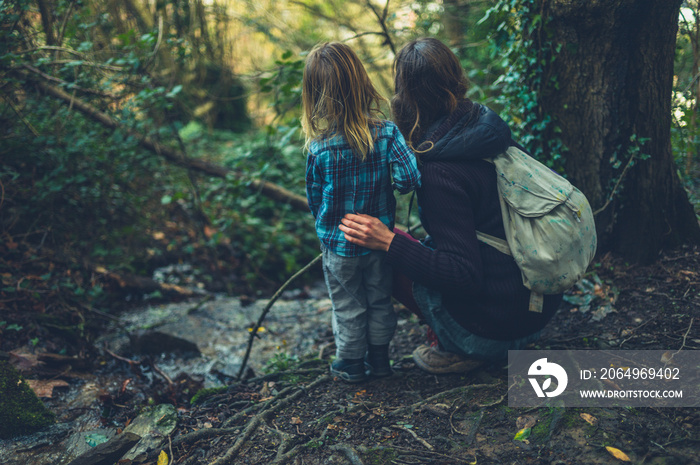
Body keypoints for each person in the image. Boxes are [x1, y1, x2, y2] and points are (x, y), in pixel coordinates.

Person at [338, 37, 562, 374]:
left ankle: (459, 347)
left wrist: (388, 241)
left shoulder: (440, 170)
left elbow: (463, 275)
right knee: (399, 238)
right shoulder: (484, 128)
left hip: (496, 332)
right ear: (455, 78)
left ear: (406, 97)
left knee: (380, 243)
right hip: (533, 312)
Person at [302, 42, 422, 383]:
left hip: (339, 246)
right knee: (380, 300)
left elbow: (314, 199)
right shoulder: (386, 133)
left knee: (348, 305)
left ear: (315, 95)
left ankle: (351, 363)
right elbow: (410, 178)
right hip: (379, 243)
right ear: (362, 84)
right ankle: (381, 361)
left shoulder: (318, 147)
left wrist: (327, 227)